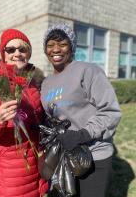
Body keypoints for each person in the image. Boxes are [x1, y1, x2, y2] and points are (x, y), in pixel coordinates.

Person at [40, 23, 121, 197]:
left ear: (72, 46)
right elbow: (51, 115)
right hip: (64, 156)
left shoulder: (88, 71)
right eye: (50, 45)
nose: (56, 49)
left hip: (93, 155)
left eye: (62, 44)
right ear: (45, 50)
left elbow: (110, 111)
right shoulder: (46, 83)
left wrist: (81, 135)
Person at [0, 28, 47, 197]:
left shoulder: (30, 83)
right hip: (12, 172)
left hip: (35, 162)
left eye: (22, 49)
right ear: (4, 54)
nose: (17, 53)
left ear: (29, 53)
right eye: (10, 49)